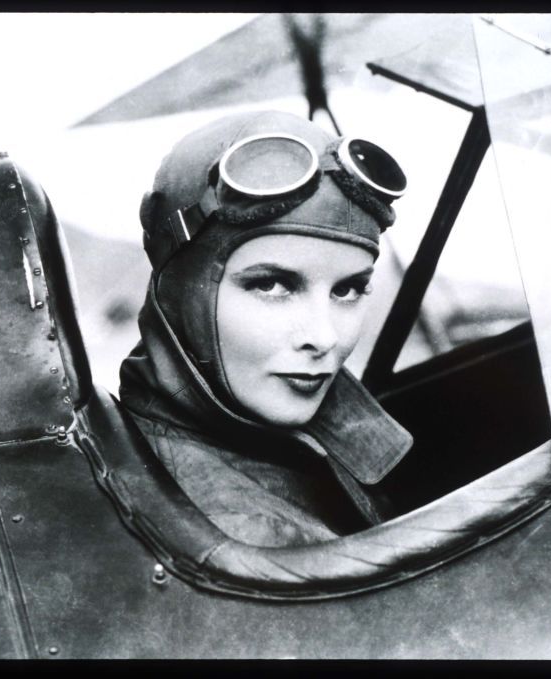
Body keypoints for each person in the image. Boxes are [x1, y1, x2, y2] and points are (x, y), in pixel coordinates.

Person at [119, 110, 413, 548]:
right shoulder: (252, 536)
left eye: (348, 290)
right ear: (182, 287)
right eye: (272, 284)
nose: (325, 336)